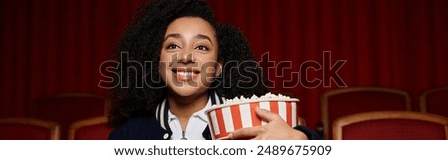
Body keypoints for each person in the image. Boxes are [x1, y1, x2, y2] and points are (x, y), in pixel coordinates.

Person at [107, 0, 322, 140]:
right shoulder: (128, 135)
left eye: (201, 47)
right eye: (173, 46)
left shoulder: (252, 124)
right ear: (157, 60)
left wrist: (301, 140)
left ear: (218, 68)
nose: (185, 57)